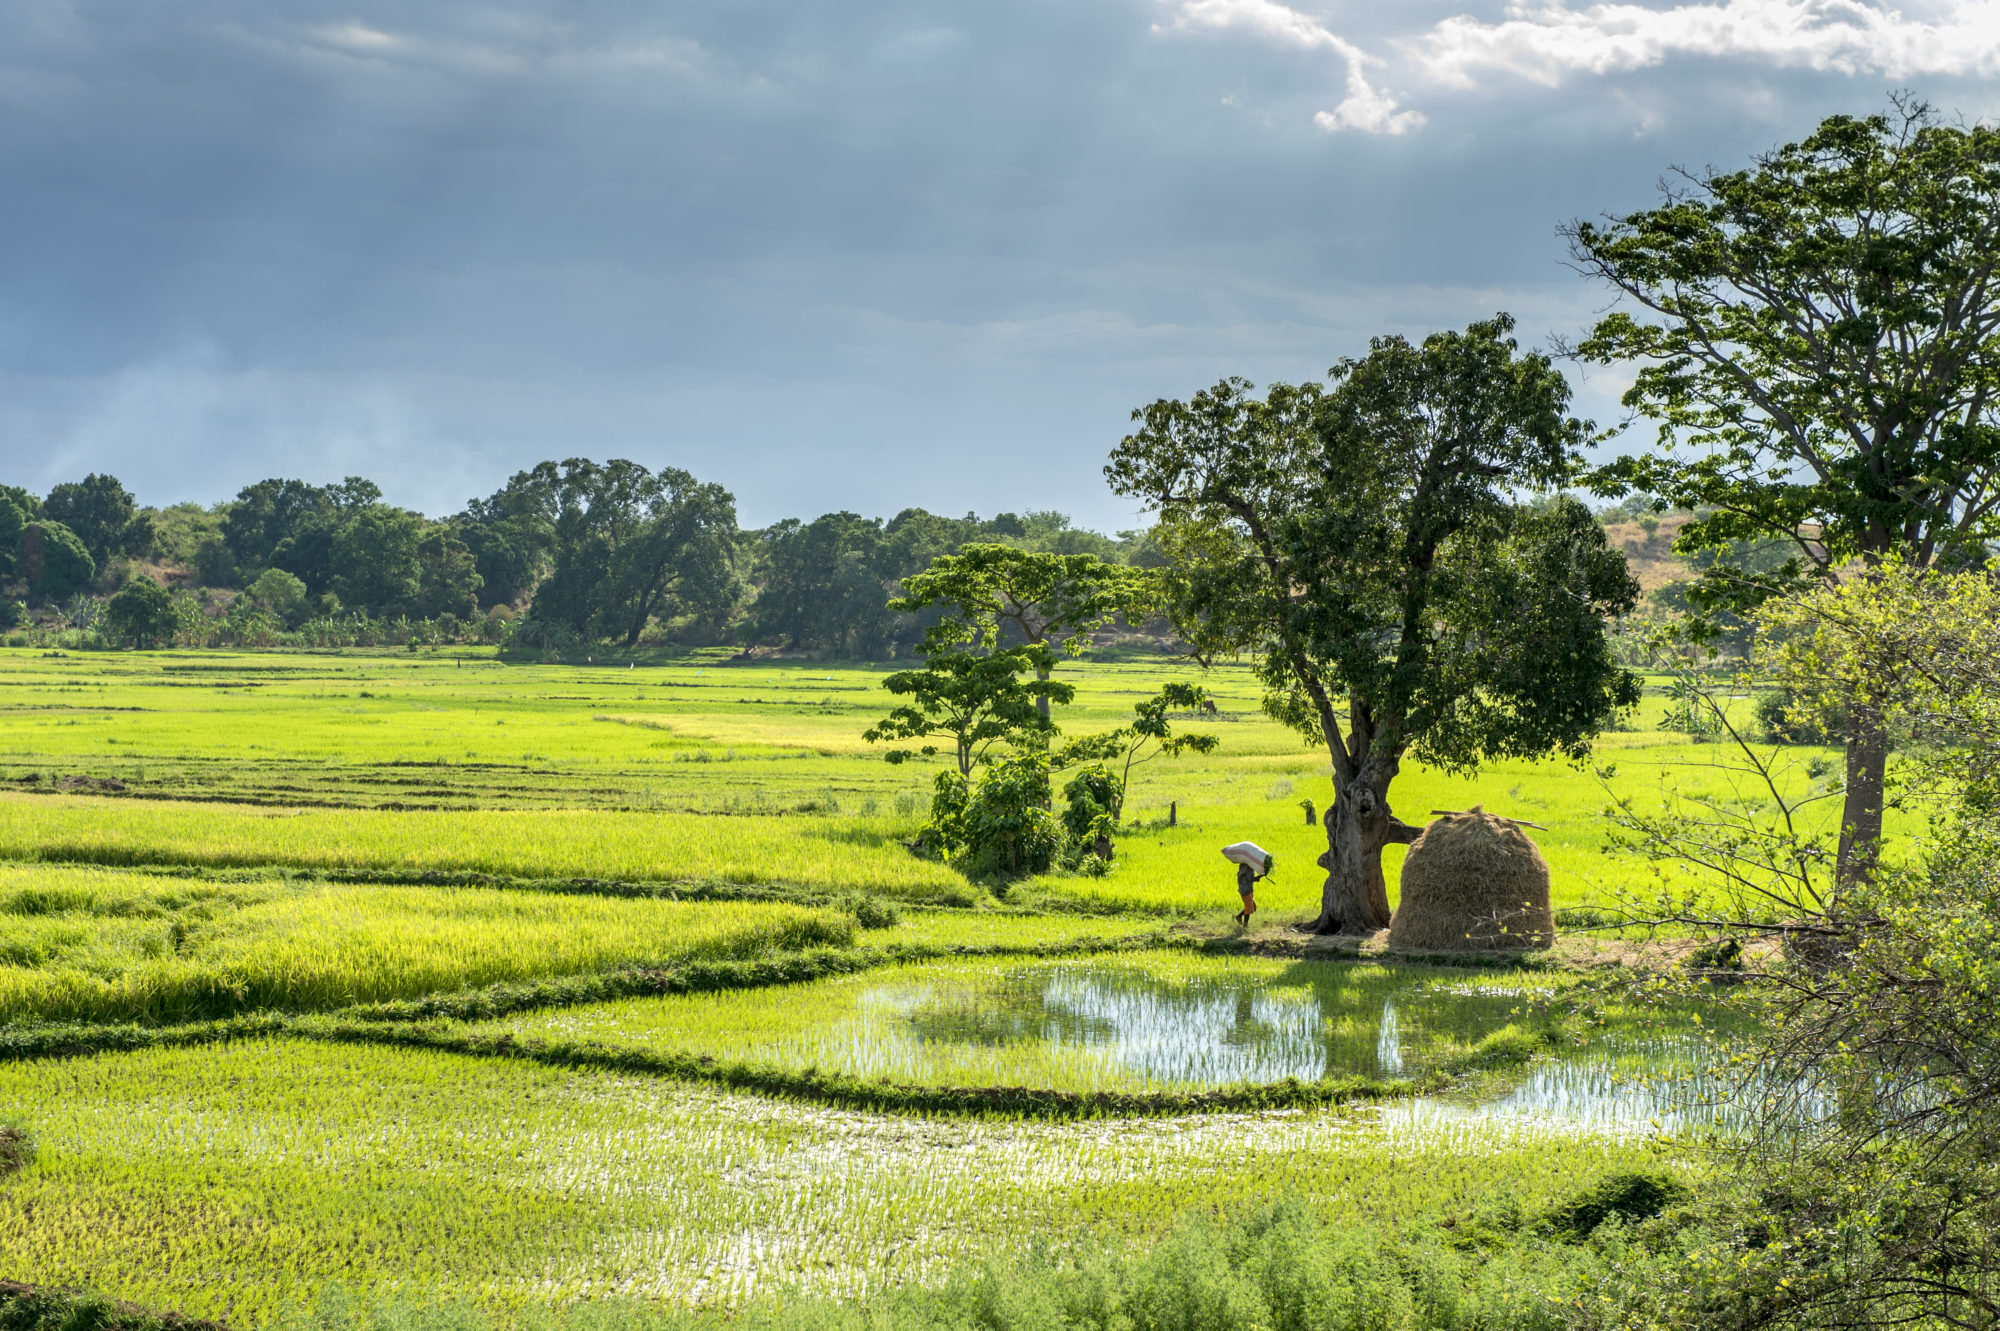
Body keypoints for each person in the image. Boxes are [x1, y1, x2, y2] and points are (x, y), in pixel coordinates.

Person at [1220, 841, 1273, 926]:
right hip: (1245, 889)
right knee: (1248, 907)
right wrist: (1260, 876)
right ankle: (1245, 926)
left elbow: (1250, 878)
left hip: (1249, 888)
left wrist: (1261, 875)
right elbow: (1249, 878)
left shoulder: (1249, 864)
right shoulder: (1245, 866)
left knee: (1253, 908)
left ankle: (1238, 916)